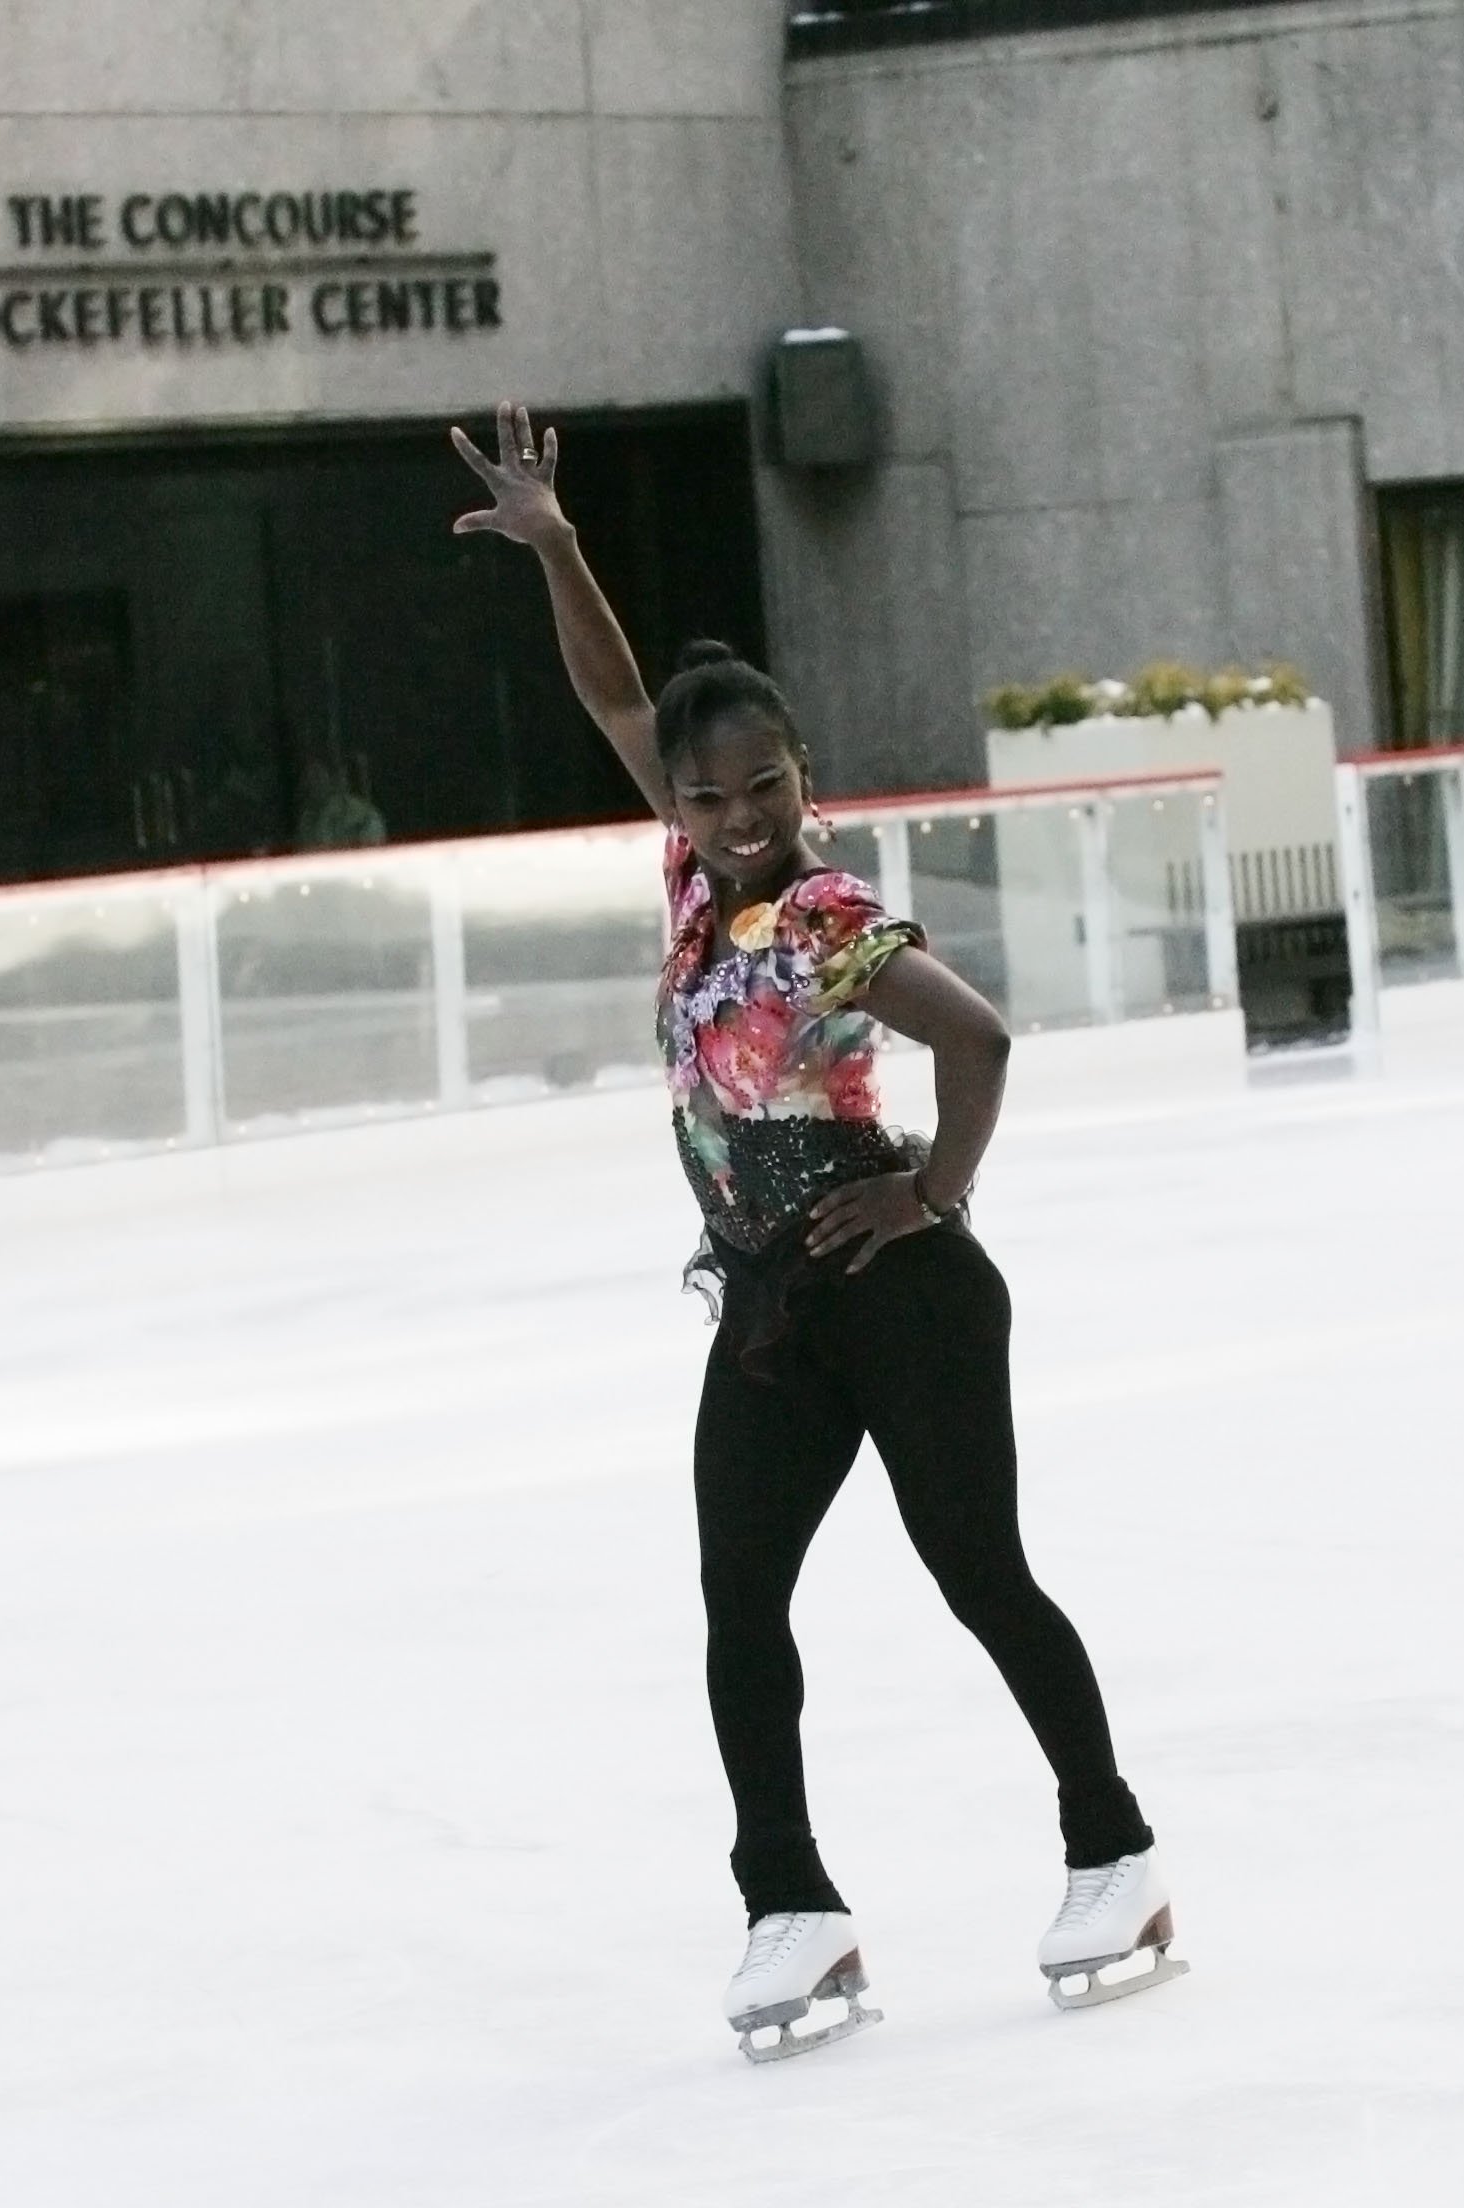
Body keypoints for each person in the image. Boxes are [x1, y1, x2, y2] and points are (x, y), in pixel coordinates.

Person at [451, 402, 1185, 2061]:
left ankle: (1112, 1849)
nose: (734, 814)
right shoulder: (692, 881)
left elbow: (979, 1038)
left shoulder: (823, 915)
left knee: (974, 1569)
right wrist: (559, 544)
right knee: (739, 1603)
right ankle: (788, 1903)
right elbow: (618, 700)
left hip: (897, 1282)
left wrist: (928, 1192)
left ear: (800, 780)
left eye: (762, 788)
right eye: (706, 797)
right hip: (770, 1302)